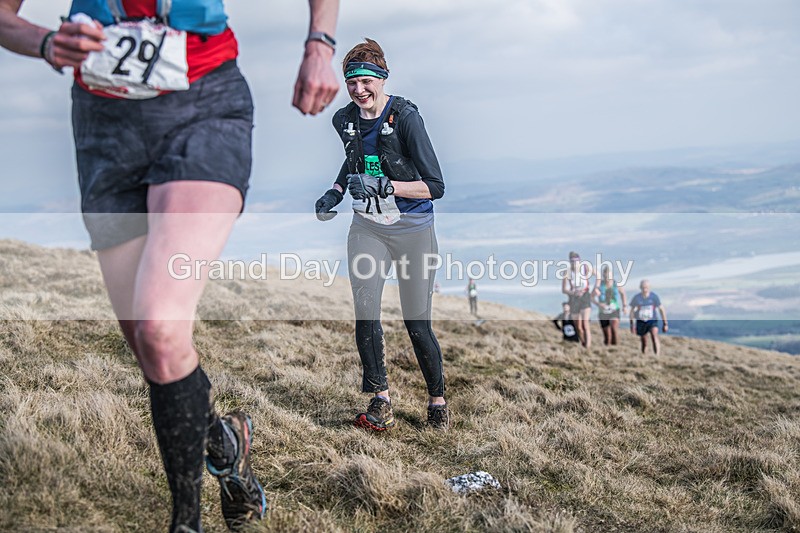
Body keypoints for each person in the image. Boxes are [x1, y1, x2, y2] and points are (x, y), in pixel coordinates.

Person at [0, 1, 339, 531]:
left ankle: (186, 522)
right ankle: (226, 447)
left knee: (160, 327)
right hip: (103, 129)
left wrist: (321, 43)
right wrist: (45, 42)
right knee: (148, 343)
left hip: (204, 109)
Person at [314, 38, 448, 431]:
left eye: (366, 81)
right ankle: (380, 400)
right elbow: (353, 160)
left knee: (416, 322)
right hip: (367, 227)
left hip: (413, 229)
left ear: (382, 80)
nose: (359, 90)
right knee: (366, 313)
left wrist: (388, 186)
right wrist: (335, 193)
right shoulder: (344, 120)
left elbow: (435, 185)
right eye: (351, 82)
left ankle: (437, 401)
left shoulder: (405, 118)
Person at [562, 251, 594, 349]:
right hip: (574, 299)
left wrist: (596, 288)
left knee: (585, 324)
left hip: (585, 297)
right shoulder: (567, 273)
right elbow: (564, 289)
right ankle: (583, 343)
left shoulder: (585, 268)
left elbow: (598, 275)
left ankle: (587, 348)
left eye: (576, 261)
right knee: (578, 327)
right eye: (572, 261)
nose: (575, 264)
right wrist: (573, 293)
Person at [629, 279, 668, 355]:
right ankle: (645, 357)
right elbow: (632, 311)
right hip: (641, 321)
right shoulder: (636, 298)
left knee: (654, 336)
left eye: (646, 287)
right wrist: (631, 324)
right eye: (643, 287)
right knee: (644, 341)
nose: (645, 289)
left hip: (652, 321)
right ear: (640, 288)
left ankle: (657, 355)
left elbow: (661, 309)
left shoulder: (654, 297)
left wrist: (665, 323)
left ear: (649, 287)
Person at [592, 265, 627, 346]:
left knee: (614, 328)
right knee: (607, 336)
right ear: (603, 275)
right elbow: (592, 297)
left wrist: (624, 306)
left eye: (609, 275)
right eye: (605, 275)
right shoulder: (599, 285)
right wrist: (599, 304)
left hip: (614, 310)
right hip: (603, 312)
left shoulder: (616, 284)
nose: (607, 277)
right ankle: (608, 350)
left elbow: (623, 293)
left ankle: (615, 348)